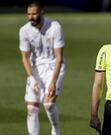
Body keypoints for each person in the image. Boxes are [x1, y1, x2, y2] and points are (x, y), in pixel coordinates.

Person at [19, 1, 65, 135]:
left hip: (54, 66)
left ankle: (55, 131)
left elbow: (59, 58)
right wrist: (31, 78)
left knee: (48, 104)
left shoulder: (55, 27)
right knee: (31, 107)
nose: (30, 17)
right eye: (28, 14)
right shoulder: (24, 30)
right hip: (36, 68)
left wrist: (53, 82)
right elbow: (25, 57)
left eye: (34, 14)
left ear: (42, 12)